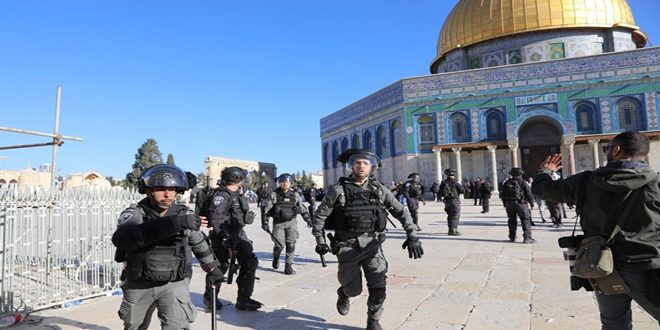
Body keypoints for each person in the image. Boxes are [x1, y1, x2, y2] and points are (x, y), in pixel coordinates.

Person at [532, 131, 660, 328]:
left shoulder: (585, 182)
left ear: (617, 150)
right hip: (648, 267)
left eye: (608, 149)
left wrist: (545, 172)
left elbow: (542, 190)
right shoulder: (656, 183)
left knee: (614, 325)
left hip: (601, 266)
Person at [312, 148, 423, 330]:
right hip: (347, 247)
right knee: (353, 290)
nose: (361, 166)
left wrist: (412, 236)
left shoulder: (379, 190)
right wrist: (320, 241)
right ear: (351, 166)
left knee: (379, 288)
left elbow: (401, 212)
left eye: (365, 163)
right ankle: (344, 293)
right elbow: (319, 217)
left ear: (372, 166)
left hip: (373, 246)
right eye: (357, 163)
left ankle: (373, 321)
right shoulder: (337, 191)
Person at [112, 164, 225, 329]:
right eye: (161, 189)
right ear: (148, 190)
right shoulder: (135, 214)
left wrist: (212, 268)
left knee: (177, 325)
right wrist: (174, 224)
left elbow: (198, 241)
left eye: (172, 189)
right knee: (134, 326)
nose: (167, 195)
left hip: (174, 283)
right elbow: (123, 238)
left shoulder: (183, 214)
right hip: (139, 283)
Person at [204, 166, 263, 311]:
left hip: (238, 233)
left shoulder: (236, 193)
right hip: (224, 236)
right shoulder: (222, 195)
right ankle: (210, 297)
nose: (243, 180)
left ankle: (244, 299)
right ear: (236, 178)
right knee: (220, 267)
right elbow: (216, 218)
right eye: (241, 177)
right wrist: (225, 238)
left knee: (249, 262)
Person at [263, 173, 311, 275]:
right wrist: (265, 223)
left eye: (287, 182)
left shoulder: (295, 195)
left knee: (291, 244)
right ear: (279, 183)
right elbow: (267, 210)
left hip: (291, 223)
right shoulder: (274, 195)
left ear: (291, 183)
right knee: (279, 245)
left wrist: (308, 220)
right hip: (278, 224)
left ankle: (288, 266)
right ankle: (276, 258)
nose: (285, 183)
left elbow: (302, 209)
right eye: (282, 181)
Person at [500, 168, 536, 243]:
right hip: (521, 204)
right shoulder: (523, 182)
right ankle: (527, 237)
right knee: (525, 220)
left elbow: (502, 194)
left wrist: (505, 203)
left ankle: (512, 237)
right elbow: (528, 193)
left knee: (511, 220)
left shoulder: (507, 183)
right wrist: (532, 203)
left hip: (509, 204)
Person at [438, 169, 464, 235]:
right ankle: (453, 230)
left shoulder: (443, 182)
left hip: (447, 201)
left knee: (450, 215)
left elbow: (440, 192)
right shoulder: (455, 182)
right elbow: (462, 191)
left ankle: (451, 229)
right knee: (455, 215)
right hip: (454, 200)